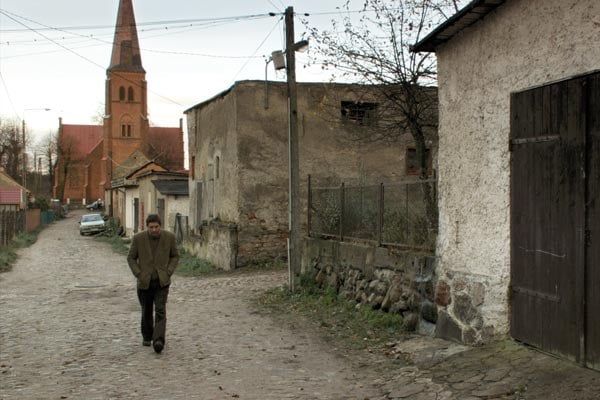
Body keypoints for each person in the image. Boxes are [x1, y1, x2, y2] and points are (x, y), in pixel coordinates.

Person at [127, 214, 179, 353]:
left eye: (156, 227)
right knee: (146, 310)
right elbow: (131, 258)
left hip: (162, 281)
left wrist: (168, 271)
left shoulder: (169, 238)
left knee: (160, 310)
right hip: (145, 282)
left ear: (160, 226)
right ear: (147, 227)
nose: (154, 230)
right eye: (151, 227)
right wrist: (139, 273)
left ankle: (158, 340)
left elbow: (175, 256)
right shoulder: (139, 239)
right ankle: (147, 335)